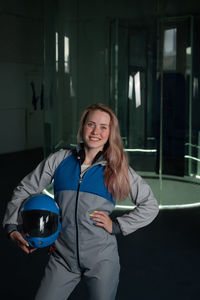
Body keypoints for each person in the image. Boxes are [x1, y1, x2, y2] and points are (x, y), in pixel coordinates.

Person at [3, 103, 159, 300]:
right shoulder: (59, 160)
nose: (96, 131)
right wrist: (11, 226)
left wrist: (118, 225)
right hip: (62, 257)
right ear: (83, 126)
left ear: (111, 132)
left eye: (104, 127)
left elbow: (150, 205)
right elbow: (25, 188)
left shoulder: (117, 168)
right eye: (91, 124)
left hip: (101, 260)